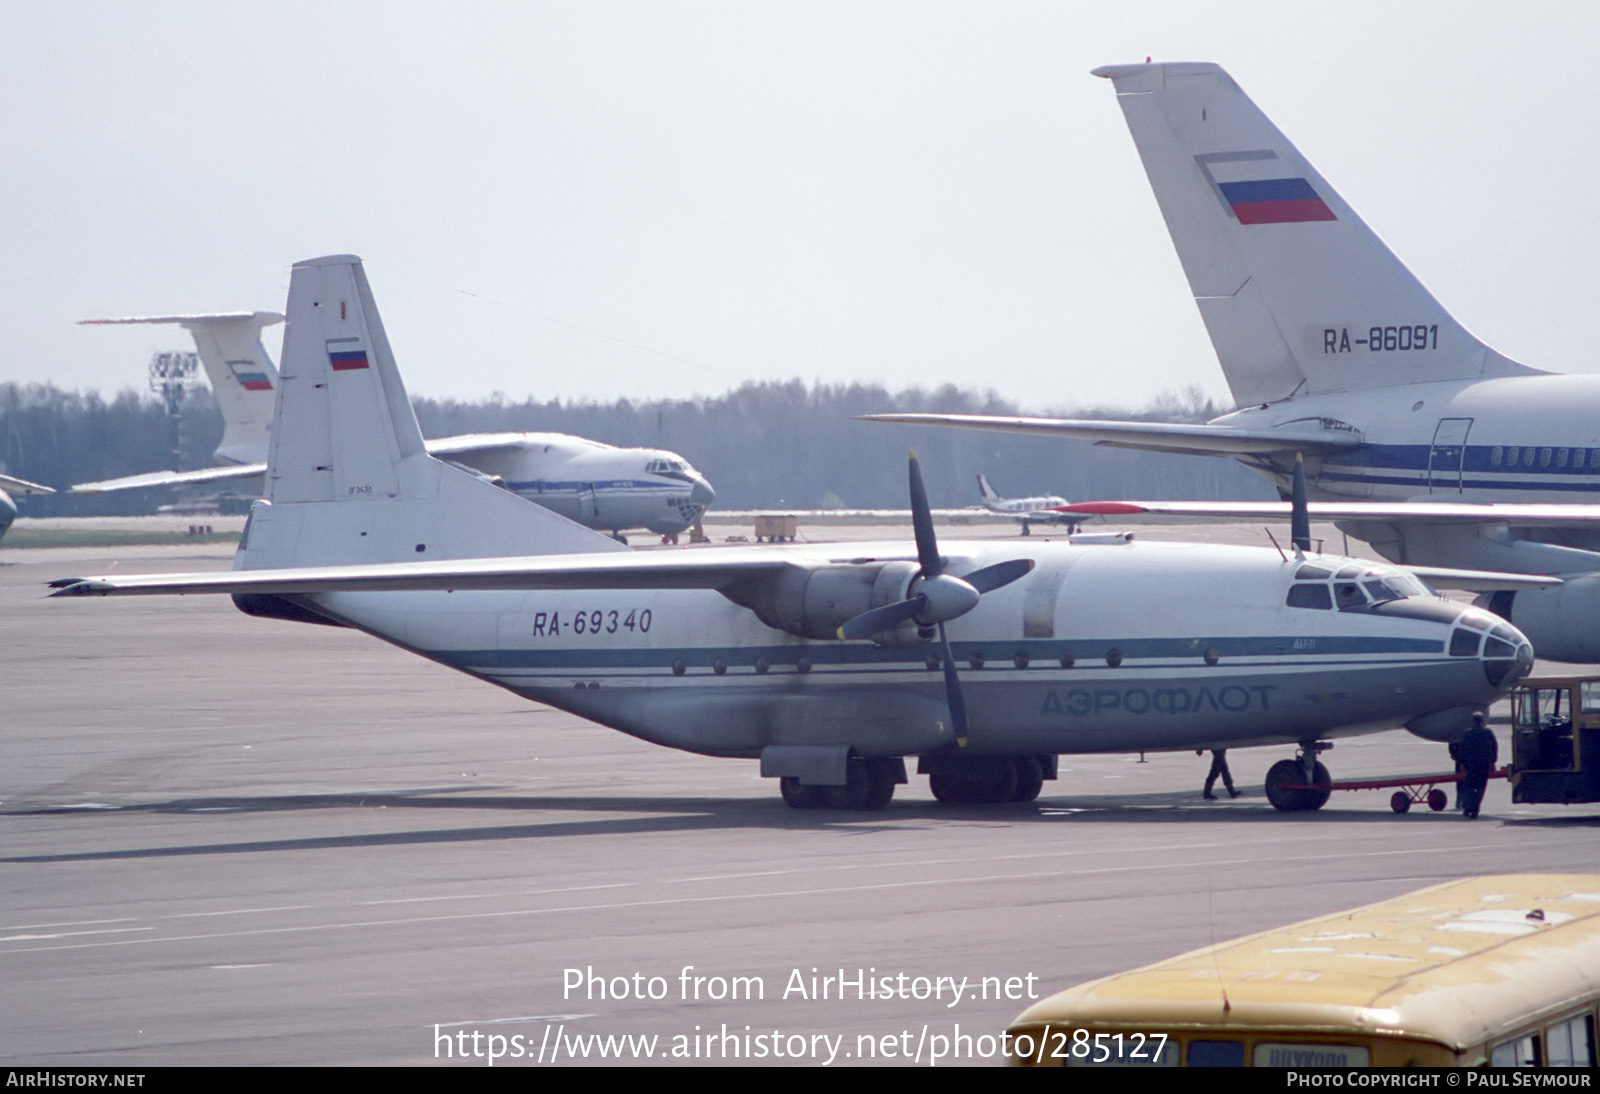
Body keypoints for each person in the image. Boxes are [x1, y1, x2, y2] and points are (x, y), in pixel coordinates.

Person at [1457, 713, 1498, 819]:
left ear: (1473, 721)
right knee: (1481, 787)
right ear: (1482, 720)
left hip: (1470, 764)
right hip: (1484, 764)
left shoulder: (1468, 733)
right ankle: (1475, 808)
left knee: (1468, 787)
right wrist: (1493, 763)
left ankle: (1468, 806)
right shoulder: (1488, 732)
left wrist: (1462, 762)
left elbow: (1463, 749)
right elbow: (1493, 748)